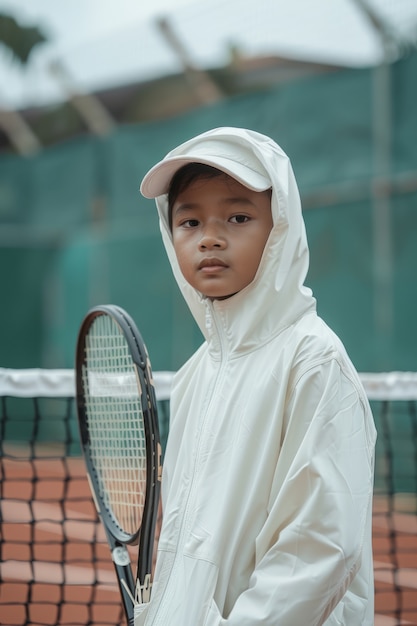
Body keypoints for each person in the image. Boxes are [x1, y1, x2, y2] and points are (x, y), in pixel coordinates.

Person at [136, 127, 377, 625]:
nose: (210, 237)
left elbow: (321, 546)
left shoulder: (313, 359)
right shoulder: (195, 373)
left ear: (280, 230)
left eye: (239, 216)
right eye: (189, 221)